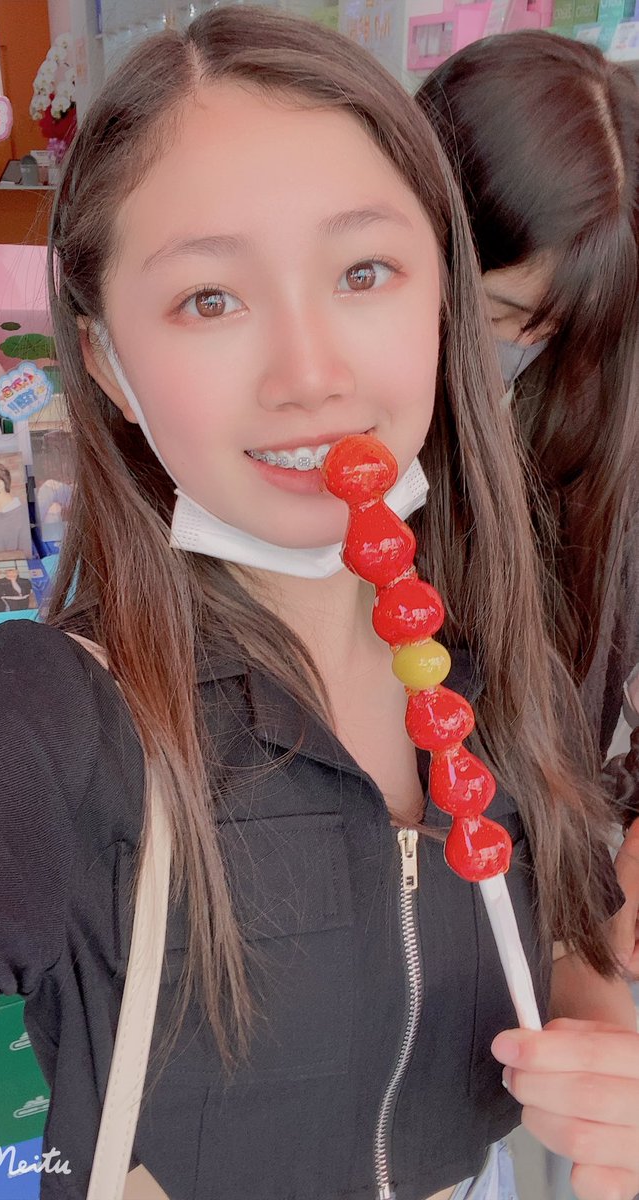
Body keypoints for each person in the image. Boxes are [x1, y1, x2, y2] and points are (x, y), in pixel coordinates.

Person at [0, 10, 638, 1200]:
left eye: (364, 273)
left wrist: (606, 1069)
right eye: (209, 299)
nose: (311, 375)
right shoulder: (43, 722)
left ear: (442, 304)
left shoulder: (499, 659)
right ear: (107, 360)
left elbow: (548, 934)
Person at [418, 30, 639, 973]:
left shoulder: (589, 407)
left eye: (545, 332)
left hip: (525, 904)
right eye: (500, 313)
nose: (512, 352)